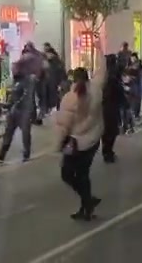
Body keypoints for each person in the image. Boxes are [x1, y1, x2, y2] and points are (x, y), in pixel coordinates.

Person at [52, 39, 105, 221]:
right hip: (93, 140)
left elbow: (63, 126)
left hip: (76, 143)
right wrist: (99, 50)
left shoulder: (69, 99)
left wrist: (57, 145)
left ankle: (87, 201)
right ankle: (87, 204)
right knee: (83, 174)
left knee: (67, 173)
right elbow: (102, 72)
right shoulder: (96, 90)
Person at [0, 55, 37, 163]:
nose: (13, 70)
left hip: (24, 111)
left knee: (25, 133)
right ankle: (1, 154)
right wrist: (6, 105)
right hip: (13, 111)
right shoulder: (16, 80)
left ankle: (26, 153)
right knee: (8, 132)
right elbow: (13, 95)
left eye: (14, 68)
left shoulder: (28, 80)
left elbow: (26, 96)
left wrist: (14, 105)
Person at [101, 54, 125, 163]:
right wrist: (125, 103)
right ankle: (108, 152)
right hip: (112, 106)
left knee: (107, 131)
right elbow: (118, 91)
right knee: (111, 131)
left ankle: (106, 151)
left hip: (104, 106)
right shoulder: (113, 76)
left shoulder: (104, 74)